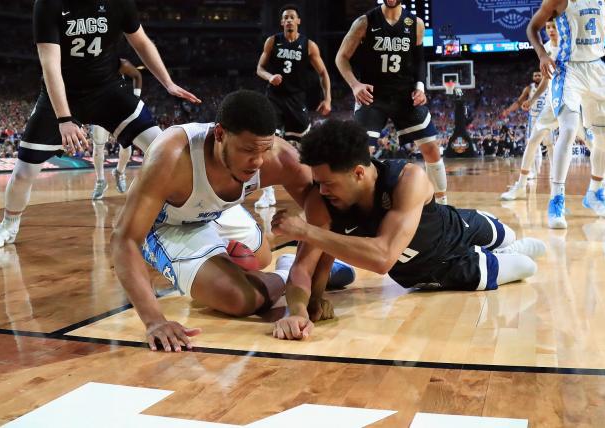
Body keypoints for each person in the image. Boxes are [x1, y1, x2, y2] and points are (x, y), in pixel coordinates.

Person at [110, 91, 353, 352]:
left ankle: (281, 266)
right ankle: (283, 273)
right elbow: (124, 240)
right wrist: (154, 321)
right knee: (240, 299)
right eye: (248, 150)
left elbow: (323, 213)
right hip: (168, 222)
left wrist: (313, 285)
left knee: (260, 258)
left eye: (265, 149)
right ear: (219, 134)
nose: (258, 161)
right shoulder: (171, 154)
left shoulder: (278, 157)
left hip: (217, 211)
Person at [270, 120, 546, 340]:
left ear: (358, 173)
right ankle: (502, 255)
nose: (321, 190)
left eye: (328, 183)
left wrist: (306, 231)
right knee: (526, 265)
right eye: (318, 183)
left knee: (509, 235)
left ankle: (503, 246)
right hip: (435, 269)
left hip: (456, 227)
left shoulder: (407, 178)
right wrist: (299, 309)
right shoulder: (324, 200)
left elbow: (382, 258)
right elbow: (304, 266)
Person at [0, 0, 200, 249]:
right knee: (23, 172)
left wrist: (168, 83)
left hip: (107, 90)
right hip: (63, 95)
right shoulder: (48, 4)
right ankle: (8, 225)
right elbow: (50, 64)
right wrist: (64, 118)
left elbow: (141, 42)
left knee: (164, 149)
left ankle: (189, 217)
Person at [527, 0, 605, 228]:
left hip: (596, 69)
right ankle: (556, 199)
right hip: (567, 68)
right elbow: (532, 28)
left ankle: (595, 191)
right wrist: (542, 55)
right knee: (568, 129)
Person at [335, 0, 449, 204]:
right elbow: (341, 57)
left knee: (431, 148)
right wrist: (355, 85)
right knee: (362, 155)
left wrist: (420, 87)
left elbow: (419, 60)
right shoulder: (365, 21)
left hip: (405, 95)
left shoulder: (416, 23)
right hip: (372, 96)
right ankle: (362, 207)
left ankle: (442, 204)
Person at [254, 3, 332, 209]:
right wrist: (270, 77)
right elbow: (259, 68)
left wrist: (328, 99)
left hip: (297, 100)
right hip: (274, 98)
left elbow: (323, 73)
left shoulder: (309, 45)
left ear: (298, 21)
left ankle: (318, 185)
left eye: (292, 17)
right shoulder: (273, 42)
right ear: (281, 22)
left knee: (305, 146)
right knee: (266, 142)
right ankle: (268, 192)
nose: (289, 20)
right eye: (285, 17)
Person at [92, 58, 143, 199]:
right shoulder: (89, 64)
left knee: (126, 145)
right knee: (97, 148)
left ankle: (119, 172)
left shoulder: (118, 62)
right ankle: (100, 181)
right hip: (98, 110)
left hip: (120, 109)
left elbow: (137, 75)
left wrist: (136, 98)